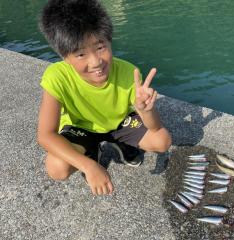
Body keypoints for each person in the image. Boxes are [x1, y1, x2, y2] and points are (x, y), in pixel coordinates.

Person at [37, 0, 172, 196]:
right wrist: (88, 166)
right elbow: (46, 135)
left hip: (121, 123)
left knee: (162, 140)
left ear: (109, 41)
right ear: (64, 57)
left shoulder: (129, 72)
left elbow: (156, 128)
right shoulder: (56, 76)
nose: (95, 62)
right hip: (81, 129)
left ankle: (122, 143)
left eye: (100, 47)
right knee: (57, 167)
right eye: (81, 54)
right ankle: (91, 153)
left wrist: (147, 110)